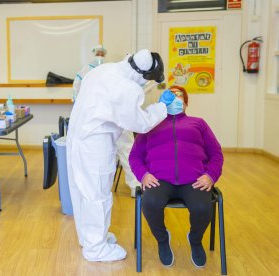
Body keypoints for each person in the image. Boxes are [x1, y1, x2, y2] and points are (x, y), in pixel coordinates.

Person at [67, 49, 171, 262]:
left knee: (82, 191)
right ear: (142, 75)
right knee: (98, 194)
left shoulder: (103, 70)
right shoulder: (127, 88)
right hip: (95, 143)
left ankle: (90, 238)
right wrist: (162, 107)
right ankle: (96, 248)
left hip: (77, 137)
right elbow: (139, 124)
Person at [129, 85, 224, 268]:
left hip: (194, 180)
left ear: (186, 103)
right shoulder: (150, 125)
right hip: (159, 179)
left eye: (179, 95)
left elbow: (216, 153)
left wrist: (210, 176)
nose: (175, 98)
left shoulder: (199, 123)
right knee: (150, 203)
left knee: (203, 207)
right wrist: (143, 175)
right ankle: (163, 240)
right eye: (170, 95)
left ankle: (195, 241)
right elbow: (134, 156)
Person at [72, 45, 143, 197]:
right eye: (97, 52)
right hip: (97, 122)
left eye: (102, 53)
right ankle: (98, 189)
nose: (100, 55)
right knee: (99, 157)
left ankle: (135, 186)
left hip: (117, 117)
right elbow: (77, 95)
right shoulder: (85, 72)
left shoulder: (112, 70)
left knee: (127, 149)